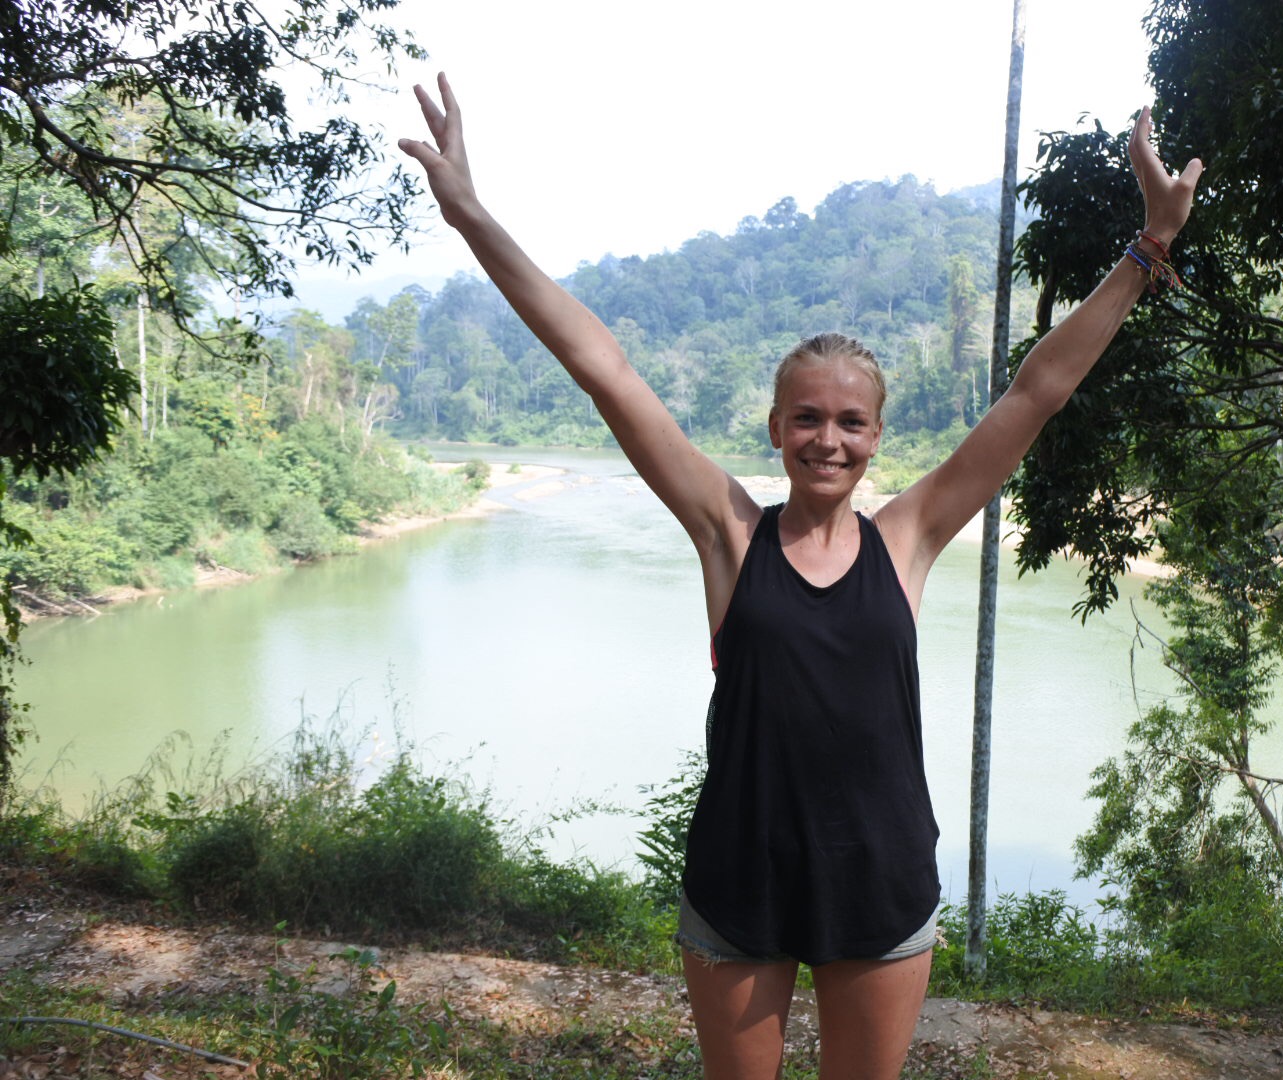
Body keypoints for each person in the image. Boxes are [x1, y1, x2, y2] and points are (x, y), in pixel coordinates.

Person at [400, 72, 1201, 1080]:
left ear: (877, 435)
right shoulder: (728, 532)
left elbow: (1035, 392)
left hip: (879, 877)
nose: (828, 439)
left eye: (850, 421)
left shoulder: (908, 537)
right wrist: (471, 216)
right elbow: (603, 368)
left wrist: (1146, 250)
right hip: (741, 877)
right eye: (808, 418)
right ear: (777, 428)